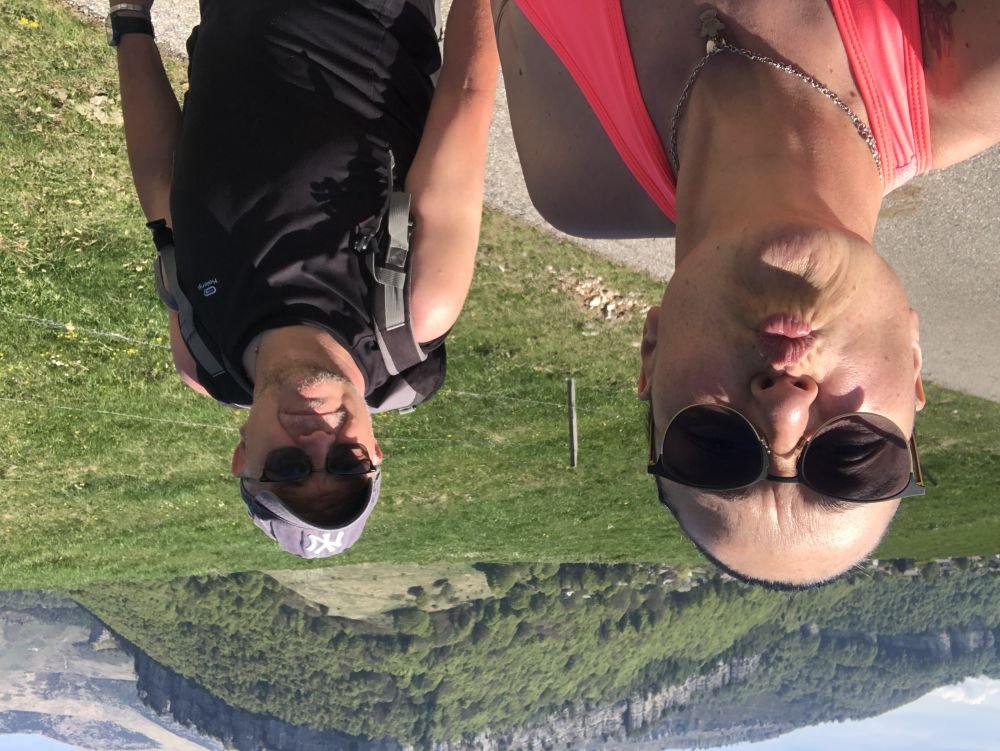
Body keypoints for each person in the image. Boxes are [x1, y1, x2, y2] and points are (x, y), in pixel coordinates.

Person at [492, 0, 1000, 586]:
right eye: (853, 455)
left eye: (715, 445)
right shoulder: (973, 56)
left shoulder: (574, 176)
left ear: (650, 353)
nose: (786, 407)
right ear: (912, 367)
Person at [112, 0, 499, 557]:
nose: (317, 441)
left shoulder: (203, 353)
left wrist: (129, 20)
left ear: (243, 458)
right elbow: (465, 95)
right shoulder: (415, 306)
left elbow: (162, 189)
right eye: (346, 464)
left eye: (289, 468)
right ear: (375, 451)